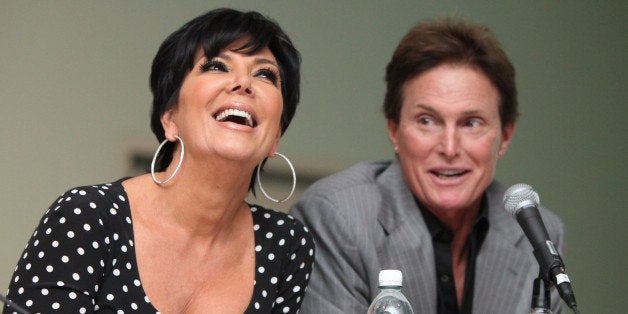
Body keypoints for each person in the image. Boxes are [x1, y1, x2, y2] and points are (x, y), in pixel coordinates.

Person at [3, 8, 314, 314]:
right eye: (217, 66)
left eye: (265, 74)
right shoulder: (86, 216)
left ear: (276, 137)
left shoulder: (285, 246)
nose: (243, 83)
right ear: (170, 118)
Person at [290, 18, 565, 313]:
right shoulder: (336, 218)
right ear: (394, 130)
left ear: (505, 136)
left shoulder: (536, 234)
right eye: (427, 121)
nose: (449, 148)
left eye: (471, 123)